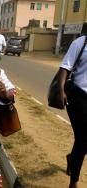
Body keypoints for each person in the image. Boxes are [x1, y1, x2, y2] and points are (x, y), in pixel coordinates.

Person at [57, 35, 87, 188]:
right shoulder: (80, 42)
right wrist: (61, 90)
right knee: (83, 139)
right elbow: (65, 67)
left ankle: (72, 158)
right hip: (78, 96)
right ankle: (74, 182)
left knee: (83, 141)